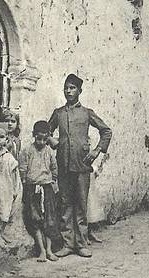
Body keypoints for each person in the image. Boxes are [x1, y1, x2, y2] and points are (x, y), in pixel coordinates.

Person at [48, 74, 112, 258]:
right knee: (66, 204)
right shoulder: (58, 113)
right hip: (63, 166)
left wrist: (97, 150)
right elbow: (46, 130)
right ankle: (68, 244)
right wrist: (53, 141)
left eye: (72, 88)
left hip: (82, 165)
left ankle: (82, 243)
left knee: (81, 206)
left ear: (79, 91)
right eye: (66, 88)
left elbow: (106, 131)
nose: (69, 91)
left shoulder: (87, 113)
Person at [19, 120, 59, 262]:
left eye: (44, 139)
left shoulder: (49, 152)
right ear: (33, 135)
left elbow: (54, 169)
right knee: (35, 219)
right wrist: (25, 185)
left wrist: (53, 182)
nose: (41, 142)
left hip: (47, 189)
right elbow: (23, 169)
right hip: (33, 189)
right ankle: (41, 250)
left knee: (49, 220)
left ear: (48, 137)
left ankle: (49, 250)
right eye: (38, 138)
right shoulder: (27, 151)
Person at [0, 123, 23, 249]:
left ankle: (0, 234)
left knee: (4, 211)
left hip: (5, 190)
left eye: (1, 137)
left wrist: (15, 190)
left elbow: (15, 176)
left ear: (6, 139)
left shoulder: (9, 157)